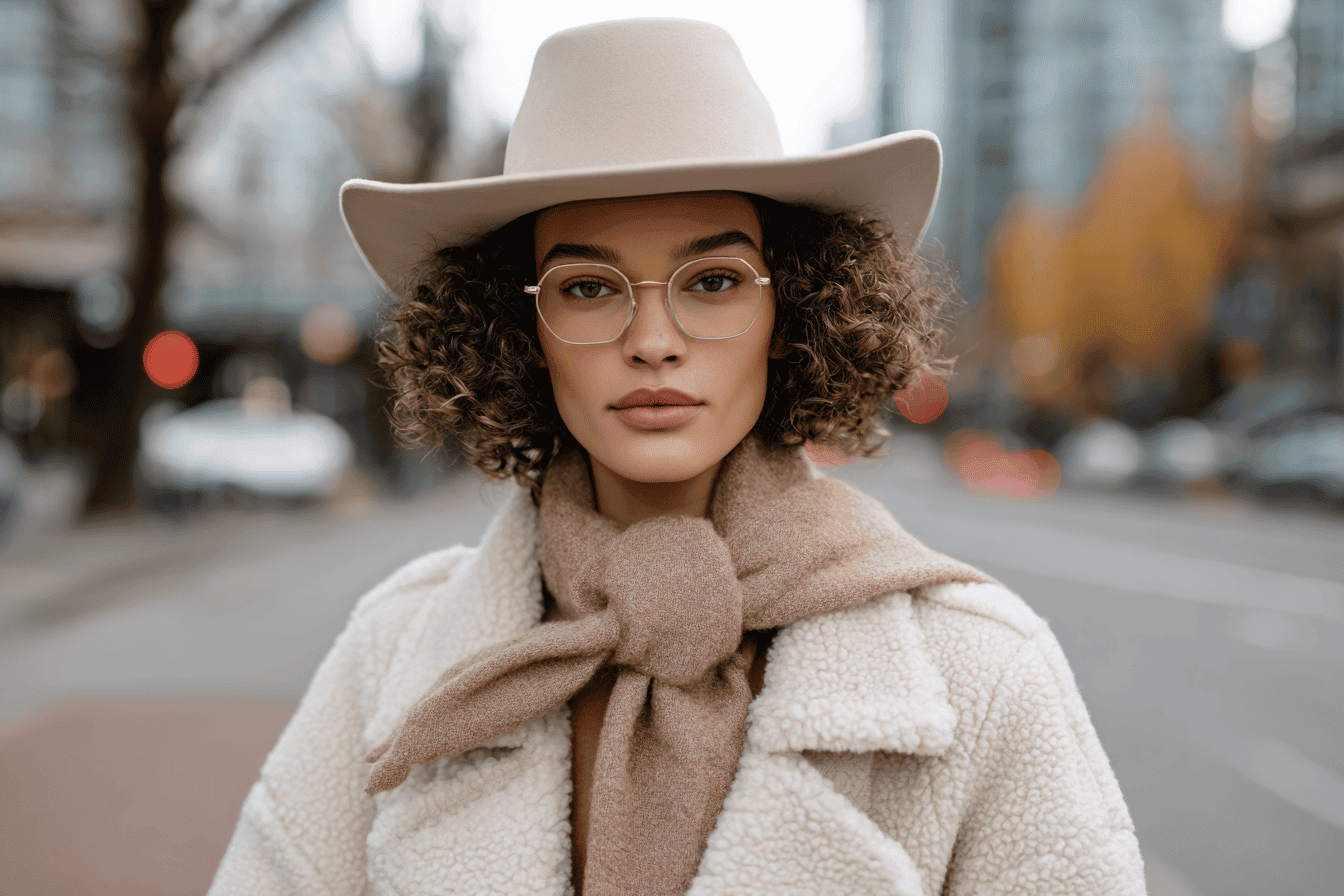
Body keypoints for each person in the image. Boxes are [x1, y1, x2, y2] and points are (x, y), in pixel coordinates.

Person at [209, 18, 1146, 896]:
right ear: (519, 328)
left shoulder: (979, 671)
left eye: (713, 281)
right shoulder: (395, 654)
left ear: (793, 312)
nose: (653, 339)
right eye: (585, 286)